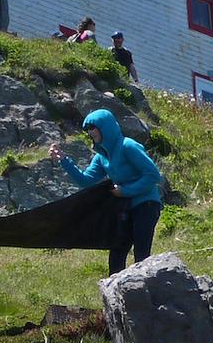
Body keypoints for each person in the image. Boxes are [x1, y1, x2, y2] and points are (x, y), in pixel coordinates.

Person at [50, 109, 164, 275]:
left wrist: (125, 191)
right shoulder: (102, 156)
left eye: (93, 127)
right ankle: (116, 293)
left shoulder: (128, 146)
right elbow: (86, 180)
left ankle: (145, 294)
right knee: (117, 249)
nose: (90, 132)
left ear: (106, 127)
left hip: (146, 204)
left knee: (141, 254)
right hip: (125, 208)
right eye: (87, 129)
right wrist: (64, 161)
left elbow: (153, 175)